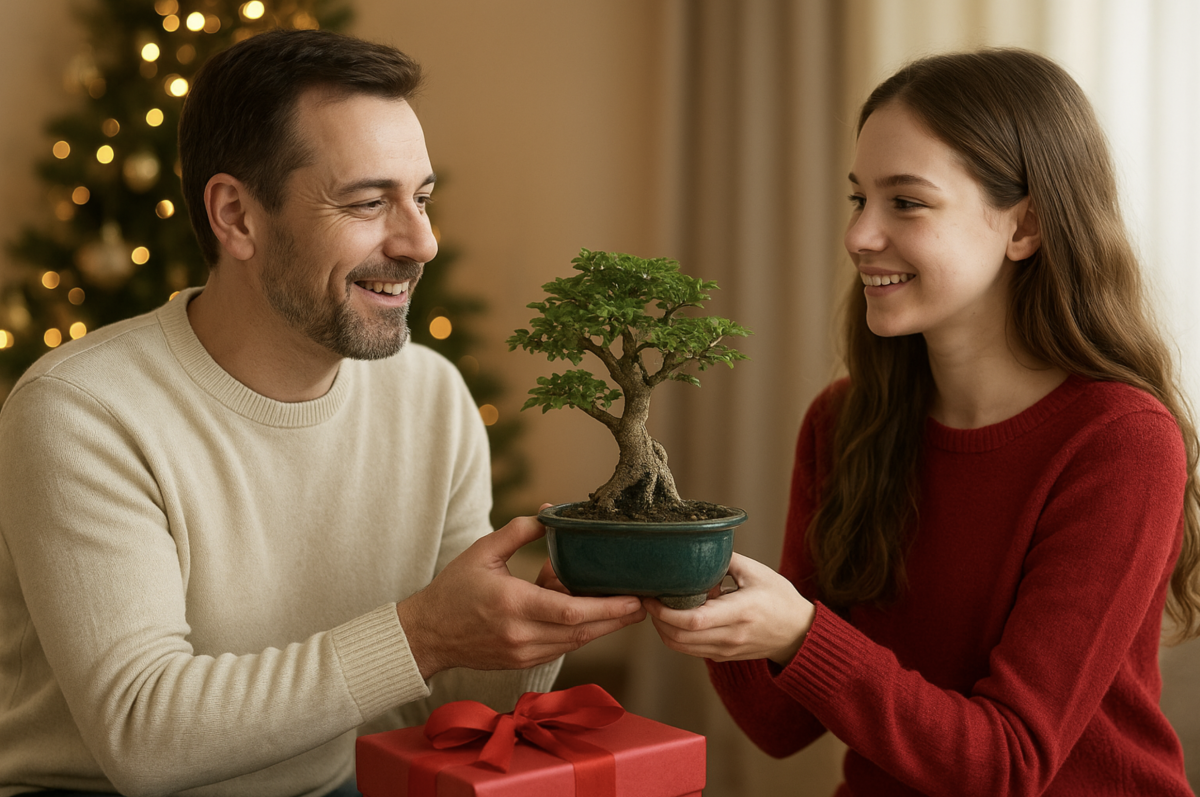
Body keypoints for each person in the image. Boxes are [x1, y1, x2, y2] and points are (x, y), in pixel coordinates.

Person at [0, 29, 645, 797]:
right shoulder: (83, 411)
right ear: (236, 216)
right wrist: (424, 628)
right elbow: (144, 737)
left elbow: (451, 702)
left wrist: (546, 616)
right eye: (369, 202)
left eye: (423, 198)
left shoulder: (432, 396)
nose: (422, 243)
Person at [645, 48, 1200, 796]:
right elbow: (781, 726)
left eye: (905, 202)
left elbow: (1008, 762)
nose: (859, 236)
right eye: (858, 199)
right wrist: (690, 586)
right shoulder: (843, 424)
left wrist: (802, 631)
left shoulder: (1121, 443)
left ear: (1025, 226)